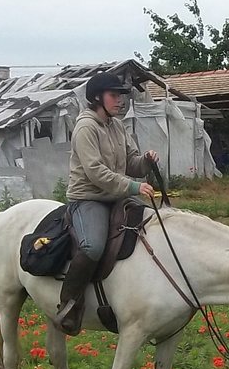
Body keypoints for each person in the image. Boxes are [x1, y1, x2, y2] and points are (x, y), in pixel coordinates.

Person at [56, 71, 157, 335]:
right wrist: (133, 187)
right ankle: (69, 305)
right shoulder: (85, 128)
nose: (120, 101)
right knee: (92, 246)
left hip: (117, 196)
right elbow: (95, 172)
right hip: (89, 198)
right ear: (97, 97)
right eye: (114, 95)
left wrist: (146, 161)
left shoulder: (117, 126)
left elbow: (132, 162)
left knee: (154, 227)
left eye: (121, 96)